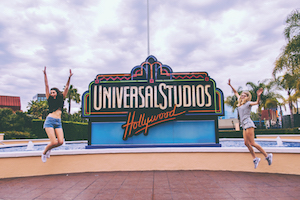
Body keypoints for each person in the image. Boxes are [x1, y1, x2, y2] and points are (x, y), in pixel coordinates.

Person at [228, 79, 272, 169]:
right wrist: (230, 85)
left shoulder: (248, 103)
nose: (242, 96)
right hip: (243, 125)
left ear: (247, 97)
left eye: (244, 95)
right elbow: (235, 92)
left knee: (252, 143)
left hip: (248, 124)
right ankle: (255, 158)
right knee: (246, 143)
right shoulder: (240, 103)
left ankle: (267, 156)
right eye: (242, 95)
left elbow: (257, 102)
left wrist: (258, 96)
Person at [41, 66, 73, 162]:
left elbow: (67, 87)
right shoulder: (49, 99)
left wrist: (69, 77)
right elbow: (46, 85)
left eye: (53, 92)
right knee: (54, 141)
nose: (52, 94)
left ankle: (49, 149)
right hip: (49, 121)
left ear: (57, 93)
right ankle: (44, 153)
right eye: (51, 93)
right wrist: (45, 74)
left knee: (61, 142)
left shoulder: (61, 98)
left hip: (58, 122)